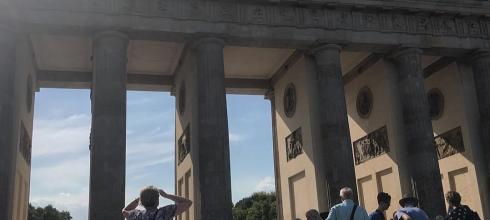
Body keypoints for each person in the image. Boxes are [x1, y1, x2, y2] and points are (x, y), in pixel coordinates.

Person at [122, 186, 192, 220]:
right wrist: (167, 196)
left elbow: (124, 211)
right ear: (157, 201)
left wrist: (137, 200)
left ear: (142, 202)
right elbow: (187, 202)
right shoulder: (165, 212)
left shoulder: (137, 215)